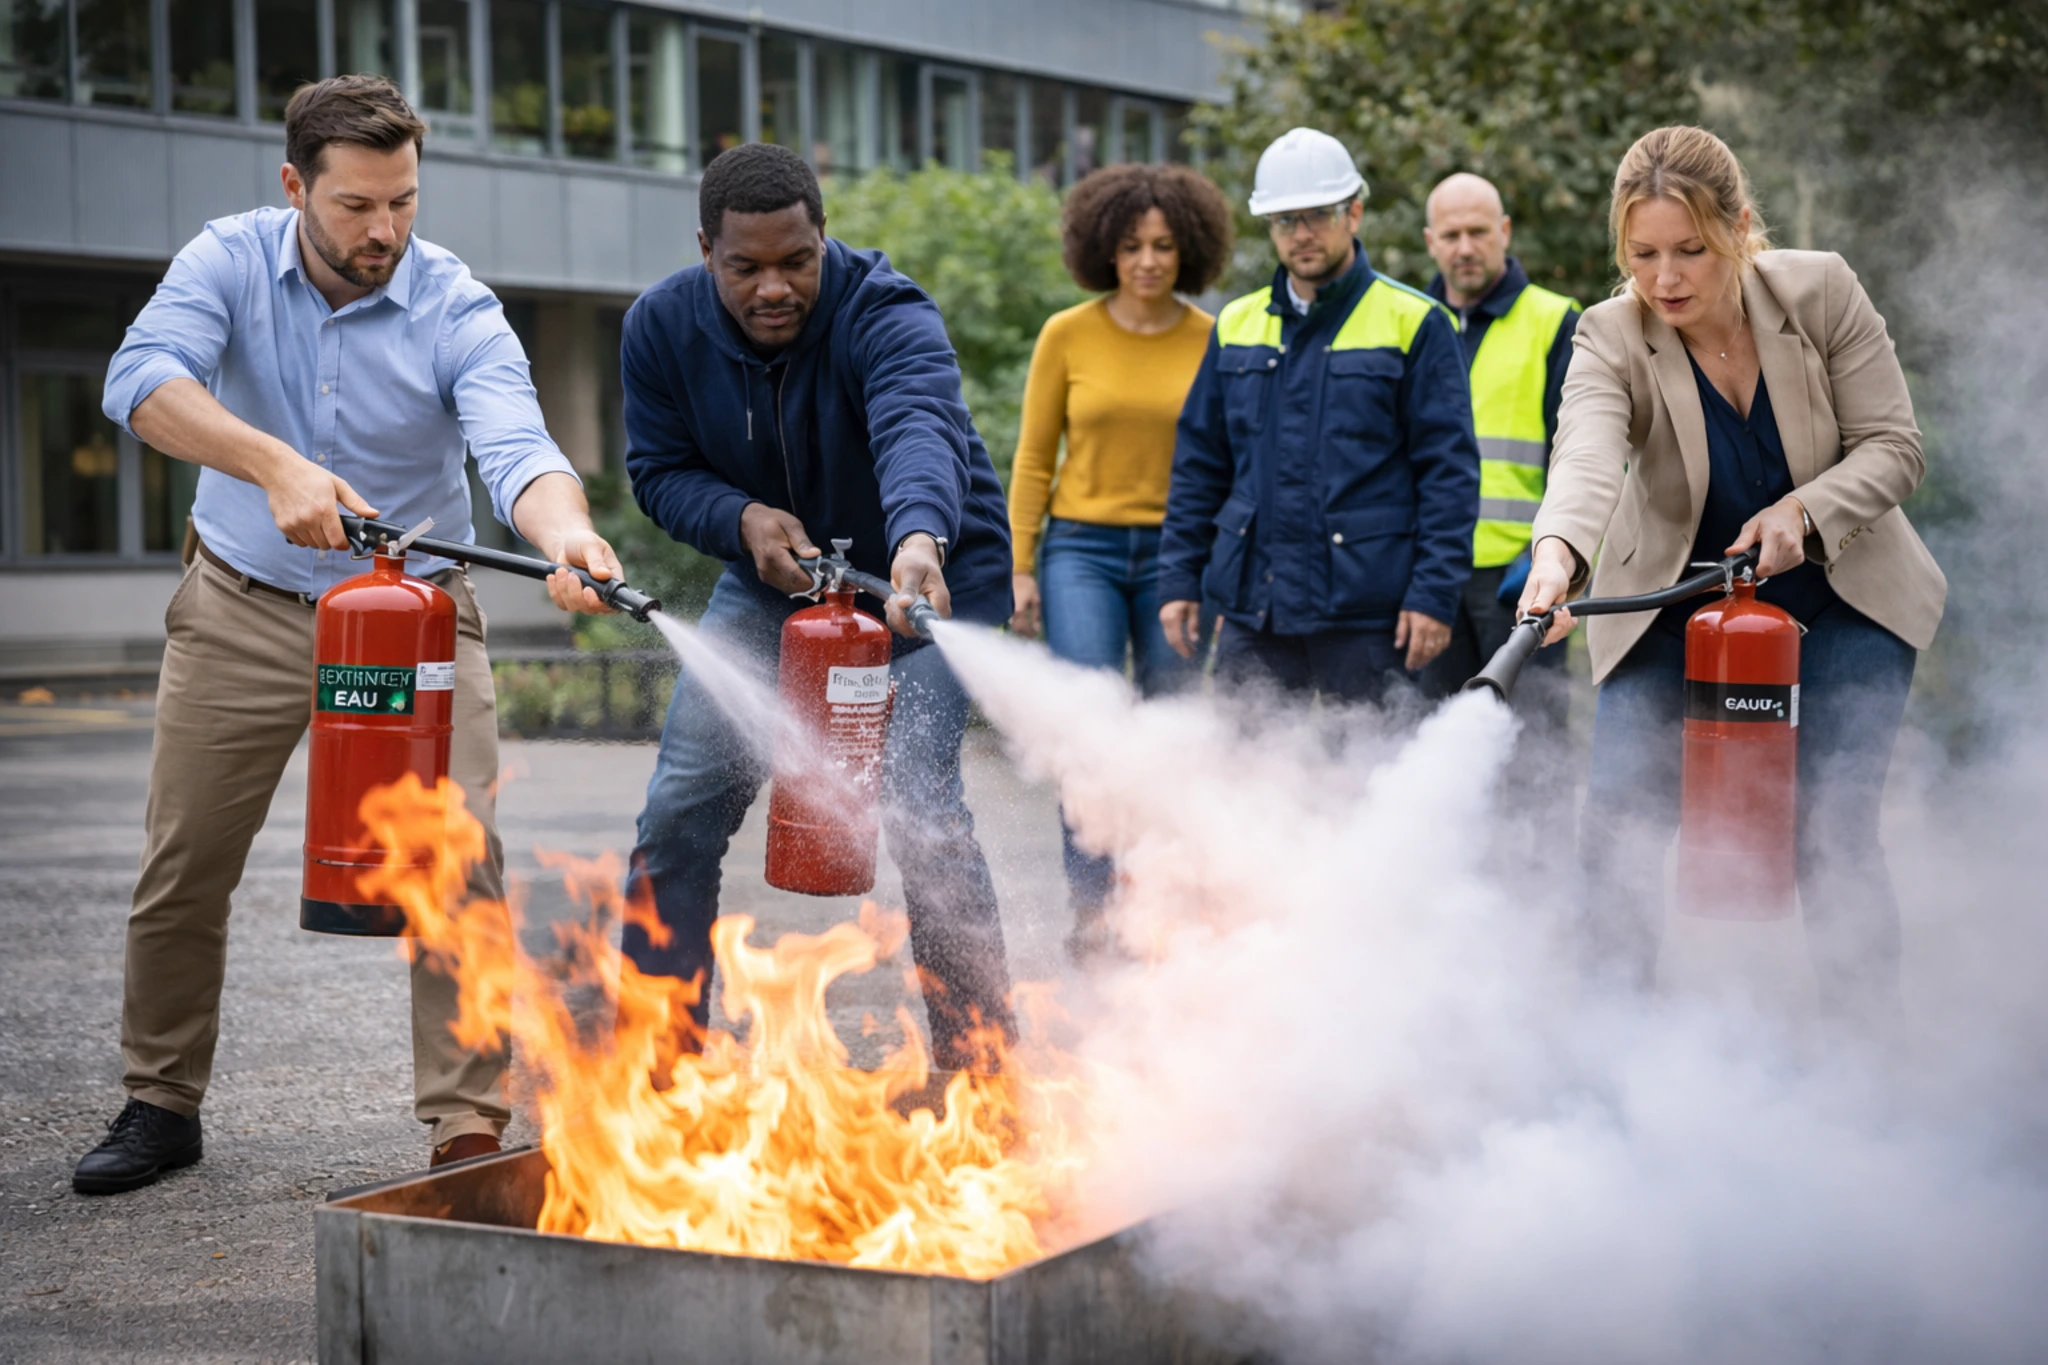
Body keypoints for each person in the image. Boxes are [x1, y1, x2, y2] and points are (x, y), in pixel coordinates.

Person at [78, 75, 620, 1194]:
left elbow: (516, 446)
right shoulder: (227, 260)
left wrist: (567, 533)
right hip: (244, 601)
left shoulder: (455, 303)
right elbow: (139, 381)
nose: (384, 230)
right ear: (296, 186)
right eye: (356, 205)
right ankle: (160, 1100)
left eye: (403, 202)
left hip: (417, 617)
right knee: (185, 861)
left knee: (458, 860)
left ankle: (467, 1123)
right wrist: (273, 464)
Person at [1521, 126, 1946, 1018]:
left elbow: (1894, 446)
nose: (1665, 278)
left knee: (1831, 829)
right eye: (1642, 254)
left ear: (1740, 228)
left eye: (1690, 250)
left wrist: (1804, 511)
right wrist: (1556, 557)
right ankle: (1603, 1047)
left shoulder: (1821, 291)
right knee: (1617, 827)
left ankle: (1865, 1046)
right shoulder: (1608, 335)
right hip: (1674, 609)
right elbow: (1586, 455)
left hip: (1842, 598)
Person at [621, 144, 1015, 1069]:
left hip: (922, 589)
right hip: (775, 587)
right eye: (745, 267)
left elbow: (919, 424)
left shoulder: (888, 310)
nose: (774, 288)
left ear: (825, 238)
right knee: (677, 808)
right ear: (705, 250)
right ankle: (657, 1065)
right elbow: (658, 470)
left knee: (921, 806)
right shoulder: (660, 327)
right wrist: (739, 517)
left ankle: (982, 1075)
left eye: (797, 261)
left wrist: (919, 536)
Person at [1157, 128, 1480, 703]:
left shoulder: (1415, 322)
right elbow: (1200, 466)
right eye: (1285, 220)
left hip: (1370, 613)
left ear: (1353, 213)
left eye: (1318, 215)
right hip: (1256, 608)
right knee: (1245, 758)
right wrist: (1180, 578)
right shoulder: (1236, 324)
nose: (1302, 233)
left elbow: (1448, 476)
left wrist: (1433, 595)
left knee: (1368, 761)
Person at [1006, 162, 1234, 956]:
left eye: (1163, 246)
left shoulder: (1214, 339)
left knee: (1170, 735)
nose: (1147, 260)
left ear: (1188, 250)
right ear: (1104, 247)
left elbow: (1227, 462)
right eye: (1132, 245)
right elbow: (1034, 457)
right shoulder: (1066, 334)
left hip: (1181, 557)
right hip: (1082, 552)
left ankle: (1161, 906)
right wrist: (1021, 564)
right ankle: (1093, 911)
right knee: (1090, 734)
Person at [1418, 172, 1581, 718]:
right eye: (1451, 235)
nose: (1465, 248)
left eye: (1479, 232)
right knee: (1429, 739)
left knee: (1529, 742)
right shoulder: (1410, 322)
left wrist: (1556, 562)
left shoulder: (1554, 321)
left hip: (1522, 578)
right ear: (1430, 241)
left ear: (1505, 232)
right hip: (1431, 574)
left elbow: (1581, 457)